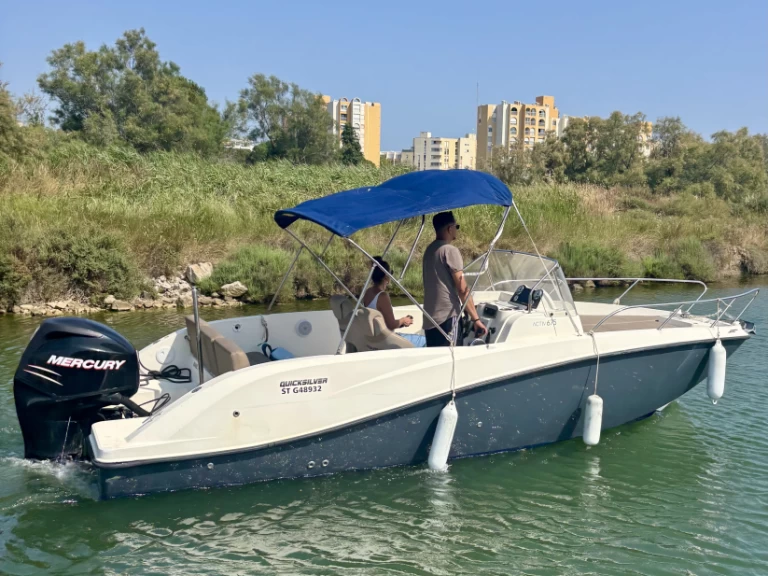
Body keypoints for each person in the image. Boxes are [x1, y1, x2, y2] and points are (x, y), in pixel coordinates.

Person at [422, 211, 487, 347]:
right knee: (452, 356)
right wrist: (476, 319)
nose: (456, 230)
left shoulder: (429, 250)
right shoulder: (450, 250)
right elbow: (462, 289)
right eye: (456, 227)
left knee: (436, 357)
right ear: (450, 228)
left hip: (430, 319)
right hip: (447, 316)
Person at [362, 257, 427, 348]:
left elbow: (384, 323)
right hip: (386, 341)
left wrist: (401, 323)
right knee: (426, 340)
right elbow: (391, 325)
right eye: (390, 273)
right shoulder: (382, 296)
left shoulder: (368, 292)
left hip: (376, 339)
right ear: (386, 277)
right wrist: (403, 320)